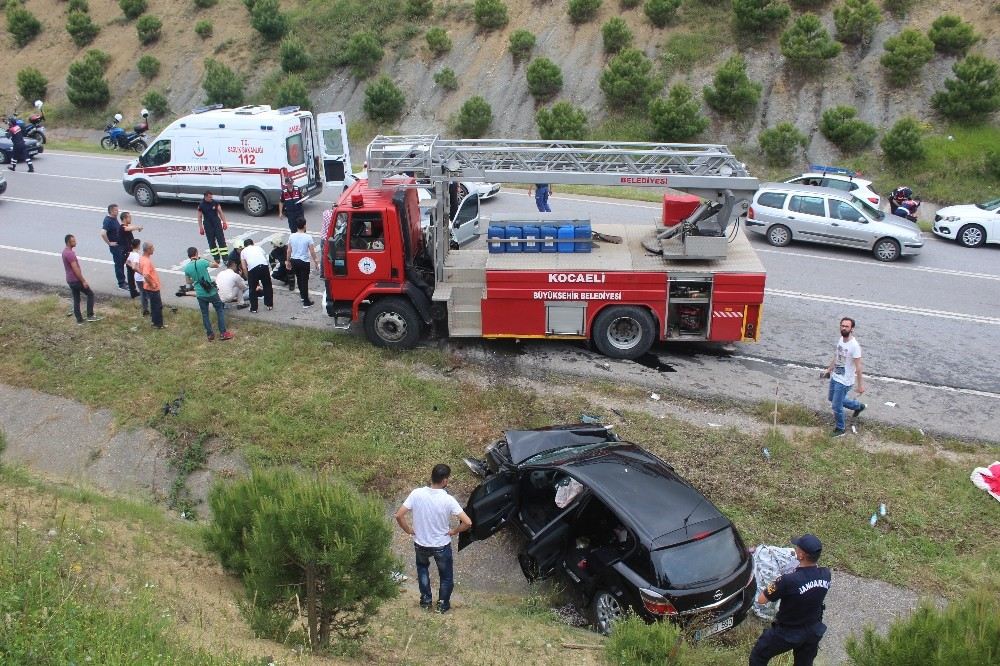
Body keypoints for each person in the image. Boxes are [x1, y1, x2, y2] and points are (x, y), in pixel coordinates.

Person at [394, 464, 472, 613]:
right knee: (446, 576)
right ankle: (442, 605)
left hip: (420, 543)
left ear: (432, 477)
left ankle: (425, 601)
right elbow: (468, 522)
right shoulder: (448, 499)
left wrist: (408, 530)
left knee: (423, 570)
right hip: (441, 545)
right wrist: (455, 531)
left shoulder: (416, 493)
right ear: (444, 481)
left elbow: (399, 515)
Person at [749, 534, 831, 666]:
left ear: (801, 555)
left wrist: (777, 582)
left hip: (787, 633)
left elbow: (761, 600)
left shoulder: (788, 580)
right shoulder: (826, 574)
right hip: (812, 631)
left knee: (758, 656)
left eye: (797, 549)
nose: (795, 550)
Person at [822, 317, 865, 438]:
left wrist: (860, 385)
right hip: (836, 376)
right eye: (842, 325)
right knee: (832, 398)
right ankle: (858, 406)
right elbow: (837, 357)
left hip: (845, 381)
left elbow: (859, 367)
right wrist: (828, 370)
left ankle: (840, 428)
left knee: (836, 405)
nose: (844, 328)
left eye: (846, 326)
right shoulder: (841, 339)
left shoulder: (854, 346)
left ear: (852, 329)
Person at [184, 247, 233, 341]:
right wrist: (204, 259)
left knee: (205, 314)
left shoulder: (187, 268)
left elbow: (188, 281)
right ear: (196, 253)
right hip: (211, 291)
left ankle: (210, 334)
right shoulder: (202, 262)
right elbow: (216, 265)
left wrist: (195, 279)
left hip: (200, 294)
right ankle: (223, 333)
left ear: (189, 255)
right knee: (219, 310)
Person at [62, 234, 101, 324]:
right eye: (73, 241)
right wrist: (83, 281)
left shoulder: (65, 252)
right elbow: (75, 269)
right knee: (90, 294)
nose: (75, 242)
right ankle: (90, 315)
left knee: (76, 299)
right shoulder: (70, 254)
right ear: (68, 242)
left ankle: (79, 320)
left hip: (70, 280)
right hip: (76, 280)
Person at [286, 219, 319, 308]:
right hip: (304, 261)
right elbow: (312, 251)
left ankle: (302, 296)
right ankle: (306, 301)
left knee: (299, 279)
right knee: (304, 281)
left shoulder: (292, 236)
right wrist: (316, 261)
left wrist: (288, 261)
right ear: (304, 226)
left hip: (294, 260)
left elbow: (289, 250)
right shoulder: (308, 237)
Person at [196, 191, 230, 267]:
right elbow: (199, 217)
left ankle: (225, 258)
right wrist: (201, 227)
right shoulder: (201, 205)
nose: (211, 198)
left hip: (217, 224)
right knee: (211, 242)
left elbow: (220, 212)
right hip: (208, 225)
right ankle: (216, 258)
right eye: (210, 197)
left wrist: (224, 222)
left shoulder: (215, 203)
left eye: (212, 197)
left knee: (221, 241)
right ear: (205, 197)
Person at [100, 204, 129, 290]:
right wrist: (109, 243)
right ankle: (121, 283)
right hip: (116, 247)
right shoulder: (108, 221)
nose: (118, 211)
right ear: (112, 211)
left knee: (122, 263)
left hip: (120, 246)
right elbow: (102, 233)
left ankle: (123, 281)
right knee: (119, 265)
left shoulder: (113, 218)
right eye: (116, 210)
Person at [240, 238, 273, 313]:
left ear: (244, 246)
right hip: (264, 266)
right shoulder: (259, 248)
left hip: (253, 269)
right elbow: (265, 259)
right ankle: (269, 305)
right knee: (267, 285)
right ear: (253, 243)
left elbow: (244, 267)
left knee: (252, 289)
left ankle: (254, 308)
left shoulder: (243, 251)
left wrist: (248, 277)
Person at [138, 242, 165, 329]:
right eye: (152, 248)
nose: (153, 249)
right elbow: (145, 274)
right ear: (148, 249)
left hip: (148, 287)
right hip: (152, 288)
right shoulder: (146, 262)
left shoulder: (142, 258)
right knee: (157, 306)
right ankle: (158, 324)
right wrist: (152, 284)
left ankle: (155, 322)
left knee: (154, 306)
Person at [119, 211, 144, 297]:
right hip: (127, 254)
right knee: (133, 270)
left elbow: (129, 227)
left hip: (128, 253)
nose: (130, 218)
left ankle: (133, 292)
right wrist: (138, 227)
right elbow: (127, 228)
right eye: (129, 217)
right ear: (124, 218)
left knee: (130, 273)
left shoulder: (125, 227)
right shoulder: (122, 228)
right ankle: (135, 291)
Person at [125, 238, 149, 316]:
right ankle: (145, 309)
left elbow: (127, 262)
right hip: (141, 277)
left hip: (137, 277)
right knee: (145, 293)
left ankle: (145, 308)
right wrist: (141, 272)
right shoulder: (136, 255)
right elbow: (134, 267)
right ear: (138, 245)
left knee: (142, 292)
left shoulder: (131, 253)